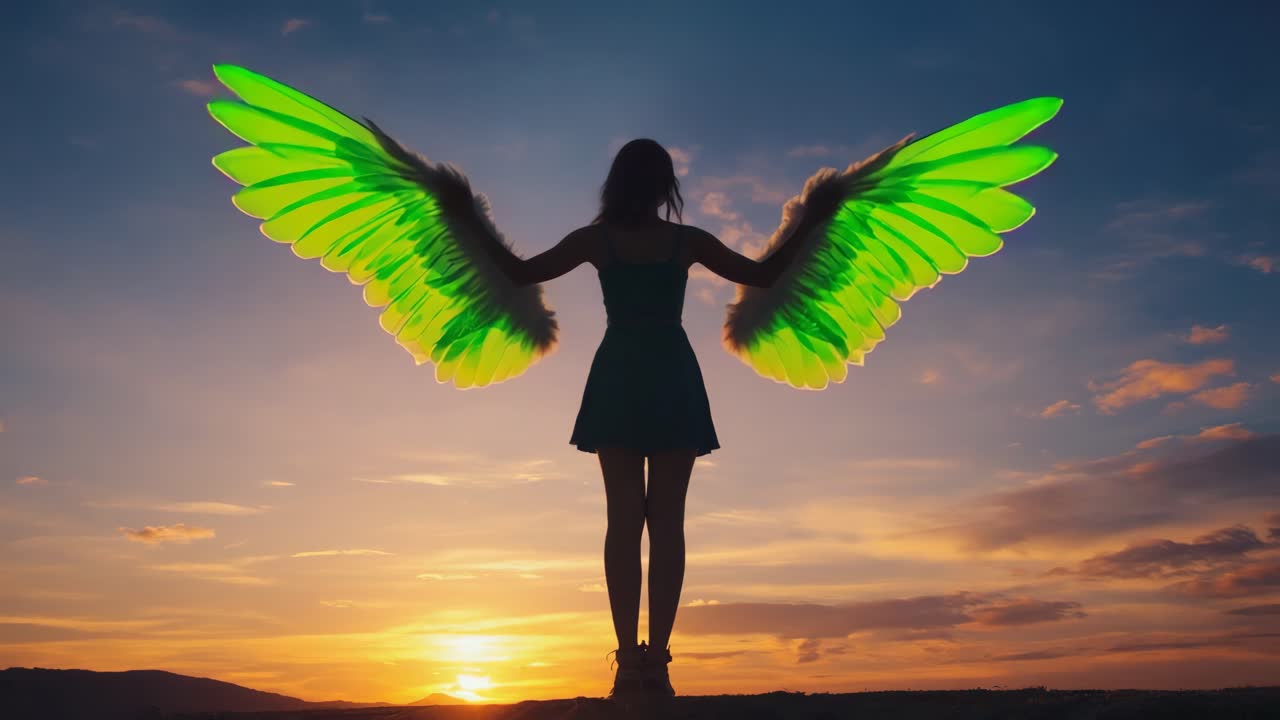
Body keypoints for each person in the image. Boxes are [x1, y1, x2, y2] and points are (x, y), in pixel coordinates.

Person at [480, 139, 810, 703]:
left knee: (623, 521)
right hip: (671, 376)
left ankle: (630, 664)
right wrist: (818, 213)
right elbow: (767, 274)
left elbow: (516, 272)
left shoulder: (597, 240)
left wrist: (459, 210)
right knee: (667, 523)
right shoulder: (686, 241)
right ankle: (655, 662)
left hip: (619, 378)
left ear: (615, 182)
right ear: (663, 186)